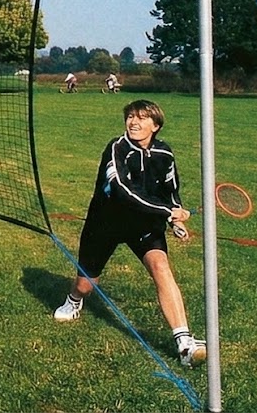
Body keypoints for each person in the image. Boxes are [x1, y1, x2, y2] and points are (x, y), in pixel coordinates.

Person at [52, 99, 206, 368]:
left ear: (155, 125)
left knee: (161, 267)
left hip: (144, 226)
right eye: (131, 117)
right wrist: (166, 212)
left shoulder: (165, 154)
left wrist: (175, 219)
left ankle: (184, 343)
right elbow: (123, 192)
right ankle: (73, 300)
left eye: (142, 118)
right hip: (105, 224)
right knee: (87, 285)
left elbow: (170, 192)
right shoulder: (116, 148)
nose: (134, 122)